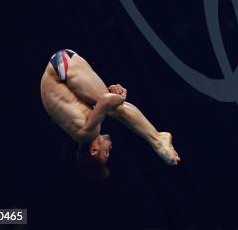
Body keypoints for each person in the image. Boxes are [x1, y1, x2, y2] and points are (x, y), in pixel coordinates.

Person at [40, 49, 180, 179]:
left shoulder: (88, 133)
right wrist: (112, 95)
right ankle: (157, 138)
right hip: (59, 67)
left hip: (61, 69)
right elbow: (100, 101)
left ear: (94, 150)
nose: (110, 148)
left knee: (115, 108)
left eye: (106, 154)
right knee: (112, 109)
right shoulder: (80, 130)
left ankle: (157, 140)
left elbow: (106, 101)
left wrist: (121, 97)